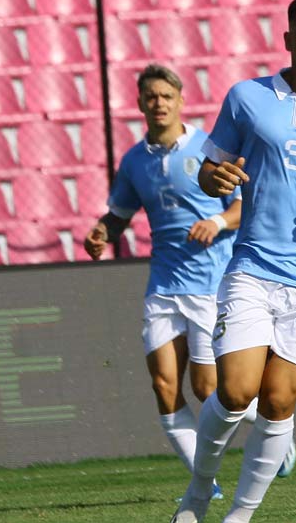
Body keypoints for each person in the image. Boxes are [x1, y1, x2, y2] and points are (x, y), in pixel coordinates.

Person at [171, 0, 296, 523]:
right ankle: (196, 496)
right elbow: (207, 168)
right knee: (236, 390)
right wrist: (211, 178)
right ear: (287, 39)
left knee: (279, 401)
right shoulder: (247, 98)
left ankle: (241, 515)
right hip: (254, 269)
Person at [83, 63, 250, 499]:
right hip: (163, 286)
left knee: (208, 388)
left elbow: (242, 207)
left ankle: (273, 427)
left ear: (180, 100)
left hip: (211, 284)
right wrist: (103, 232)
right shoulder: (134, 161)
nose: (158, 103)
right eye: (150, 96)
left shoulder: (207, 149)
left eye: (165, 96)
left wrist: (216, 220)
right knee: (164, 385)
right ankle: (206, 485)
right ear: (139, 103)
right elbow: (118, 216)